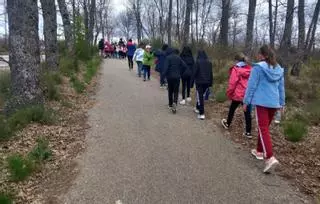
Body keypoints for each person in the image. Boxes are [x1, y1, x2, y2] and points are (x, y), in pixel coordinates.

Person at [243, 45, 285, 173]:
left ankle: (270, 157)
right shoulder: (278, 69)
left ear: (263, 55)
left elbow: (251, 86)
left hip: (262, 102)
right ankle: (259, 151)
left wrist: (246, 101)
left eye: (259, 54)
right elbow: (281, 88)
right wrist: (282, 103)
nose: (258, 56)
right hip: (274, 103)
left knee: (263, 129)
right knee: (265, 128)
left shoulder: (258, 68)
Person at [221, 53, 252, 138]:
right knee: (247, 113)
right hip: (247, 94)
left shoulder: (236, 69)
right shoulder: (250, 69)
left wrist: (229, 93)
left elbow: (232, 83)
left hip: (238, 94)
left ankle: (227, 123)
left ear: (236, 60)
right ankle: (248, 132)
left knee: (232, 109)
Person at [162, 48, 188, 113]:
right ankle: (175, 103)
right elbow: (185, 66)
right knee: (176, 91)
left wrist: (163, 76)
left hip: (170, 77)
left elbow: (166, 68)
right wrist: (180, 73)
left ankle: (170, 104)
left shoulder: (168, 58)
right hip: (177, 77)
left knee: (170, 91)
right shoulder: (179, 58)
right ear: (177, 53)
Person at [193, 50, 213, 120]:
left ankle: (202, 113)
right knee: (201, 96)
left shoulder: (197, 62)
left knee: (200, 96)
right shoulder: (209, 63)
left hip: (199, 82)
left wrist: (191, 82)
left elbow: (194, 73)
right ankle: (197, 107)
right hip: (207, 83)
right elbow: (211, 74)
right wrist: (210, 83)